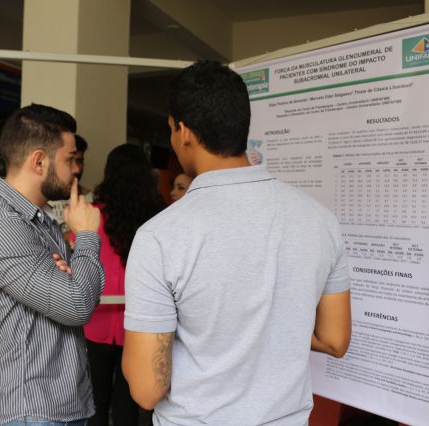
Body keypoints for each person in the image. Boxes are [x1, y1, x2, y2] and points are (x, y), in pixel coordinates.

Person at [121, 61, 351, 425]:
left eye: (170, 129)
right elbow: (335, 340)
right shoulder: (321, 221)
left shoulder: (159, 237)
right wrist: (269, 328)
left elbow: (147, 389)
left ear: (183, 132)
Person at [0, 104, 104, 426]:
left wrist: (72, 280)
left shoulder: (38, 221)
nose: (76, 170)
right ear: (39, 161)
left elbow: (79, 290)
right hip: (30, 412)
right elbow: (78, 303)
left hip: (57, 408)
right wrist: (87, 236)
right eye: (69, 159)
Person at [84, 144, 164, 425]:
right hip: (140, 323)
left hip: (96, 320)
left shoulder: (91, 215)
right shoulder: (158, 217)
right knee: (127, 404)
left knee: (95, 401)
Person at [46, 134, 93, 245]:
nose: (77, 169)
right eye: (69, 160)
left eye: (80, 161)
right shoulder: (42, 200)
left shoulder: (92, 198)